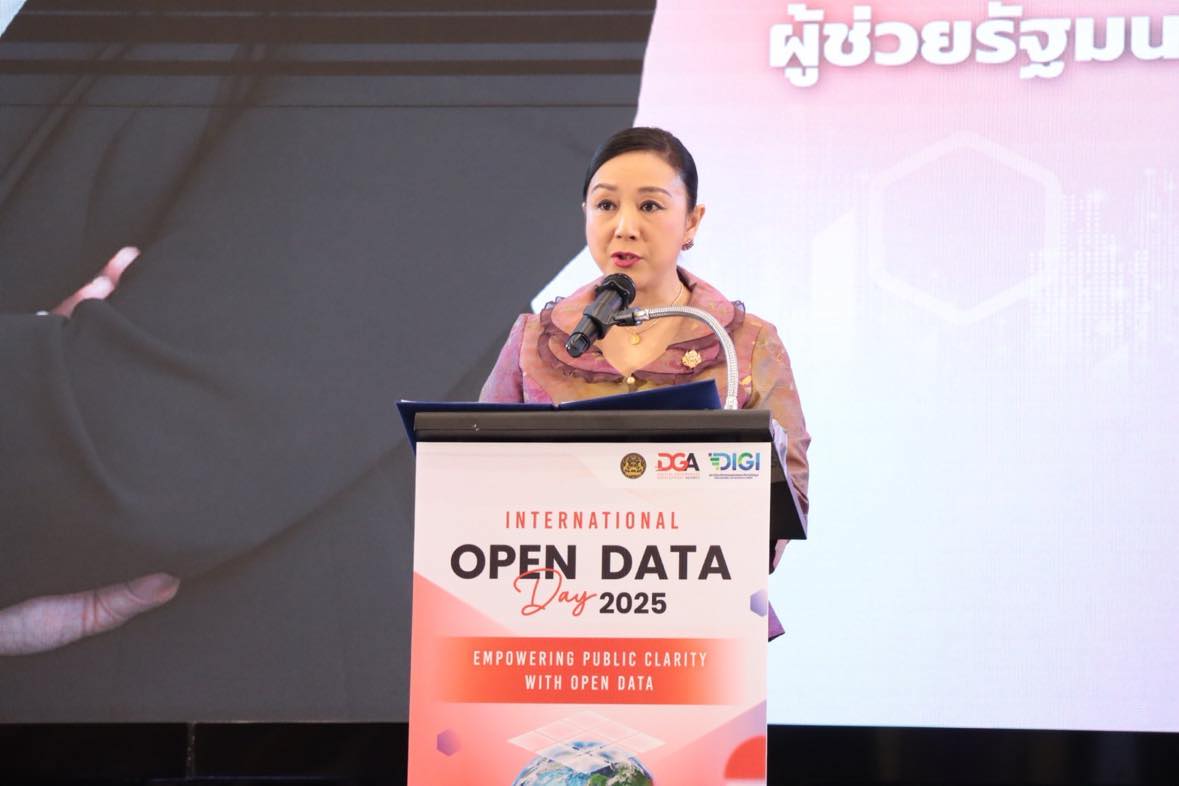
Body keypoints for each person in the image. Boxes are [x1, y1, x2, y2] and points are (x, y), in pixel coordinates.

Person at [479, 127, 811, 636]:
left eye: (651, 206)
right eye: (605, 205)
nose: (625, 227)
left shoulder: (747, 342)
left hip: (699, 623)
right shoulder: (534, 340)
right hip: (552, 618)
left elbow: (788, 491)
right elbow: (478, 477)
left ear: (692, 220)